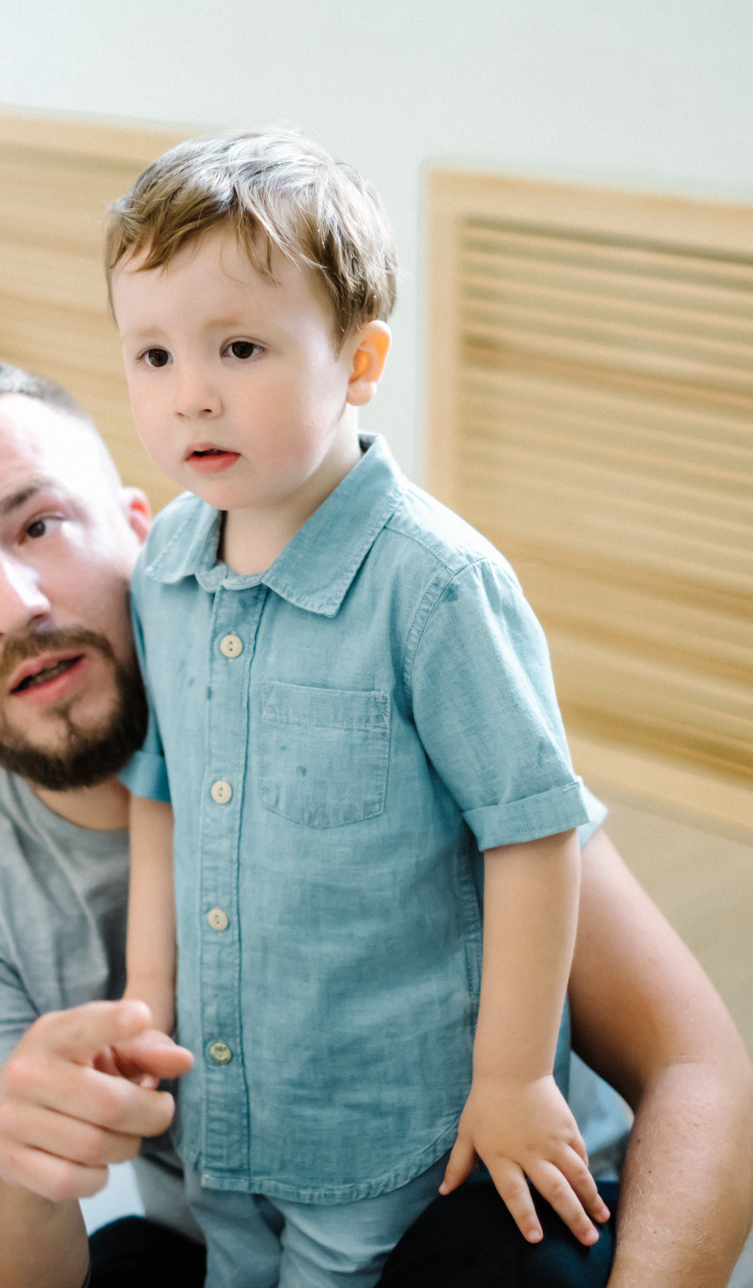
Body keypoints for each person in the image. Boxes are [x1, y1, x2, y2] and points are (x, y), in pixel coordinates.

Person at [0, 359, 753, 1288]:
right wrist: (7, 1156)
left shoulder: (372, 666)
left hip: (487, 1205)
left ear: (141, 530)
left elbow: (699, 1067)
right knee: (118, 1265)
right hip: (244, 1242)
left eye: (39, 526)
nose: (13, 605)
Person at [108, 130, 609, 1285]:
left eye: (239, 347)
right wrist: (145, 997)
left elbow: (532, 832)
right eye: (151, 356)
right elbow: (160, 796)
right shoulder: (166, 566)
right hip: (224, 1109)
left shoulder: (433, 585)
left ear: (359, 359)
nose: (191, 395)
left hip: (387, 1116)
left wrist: (515, 1078)